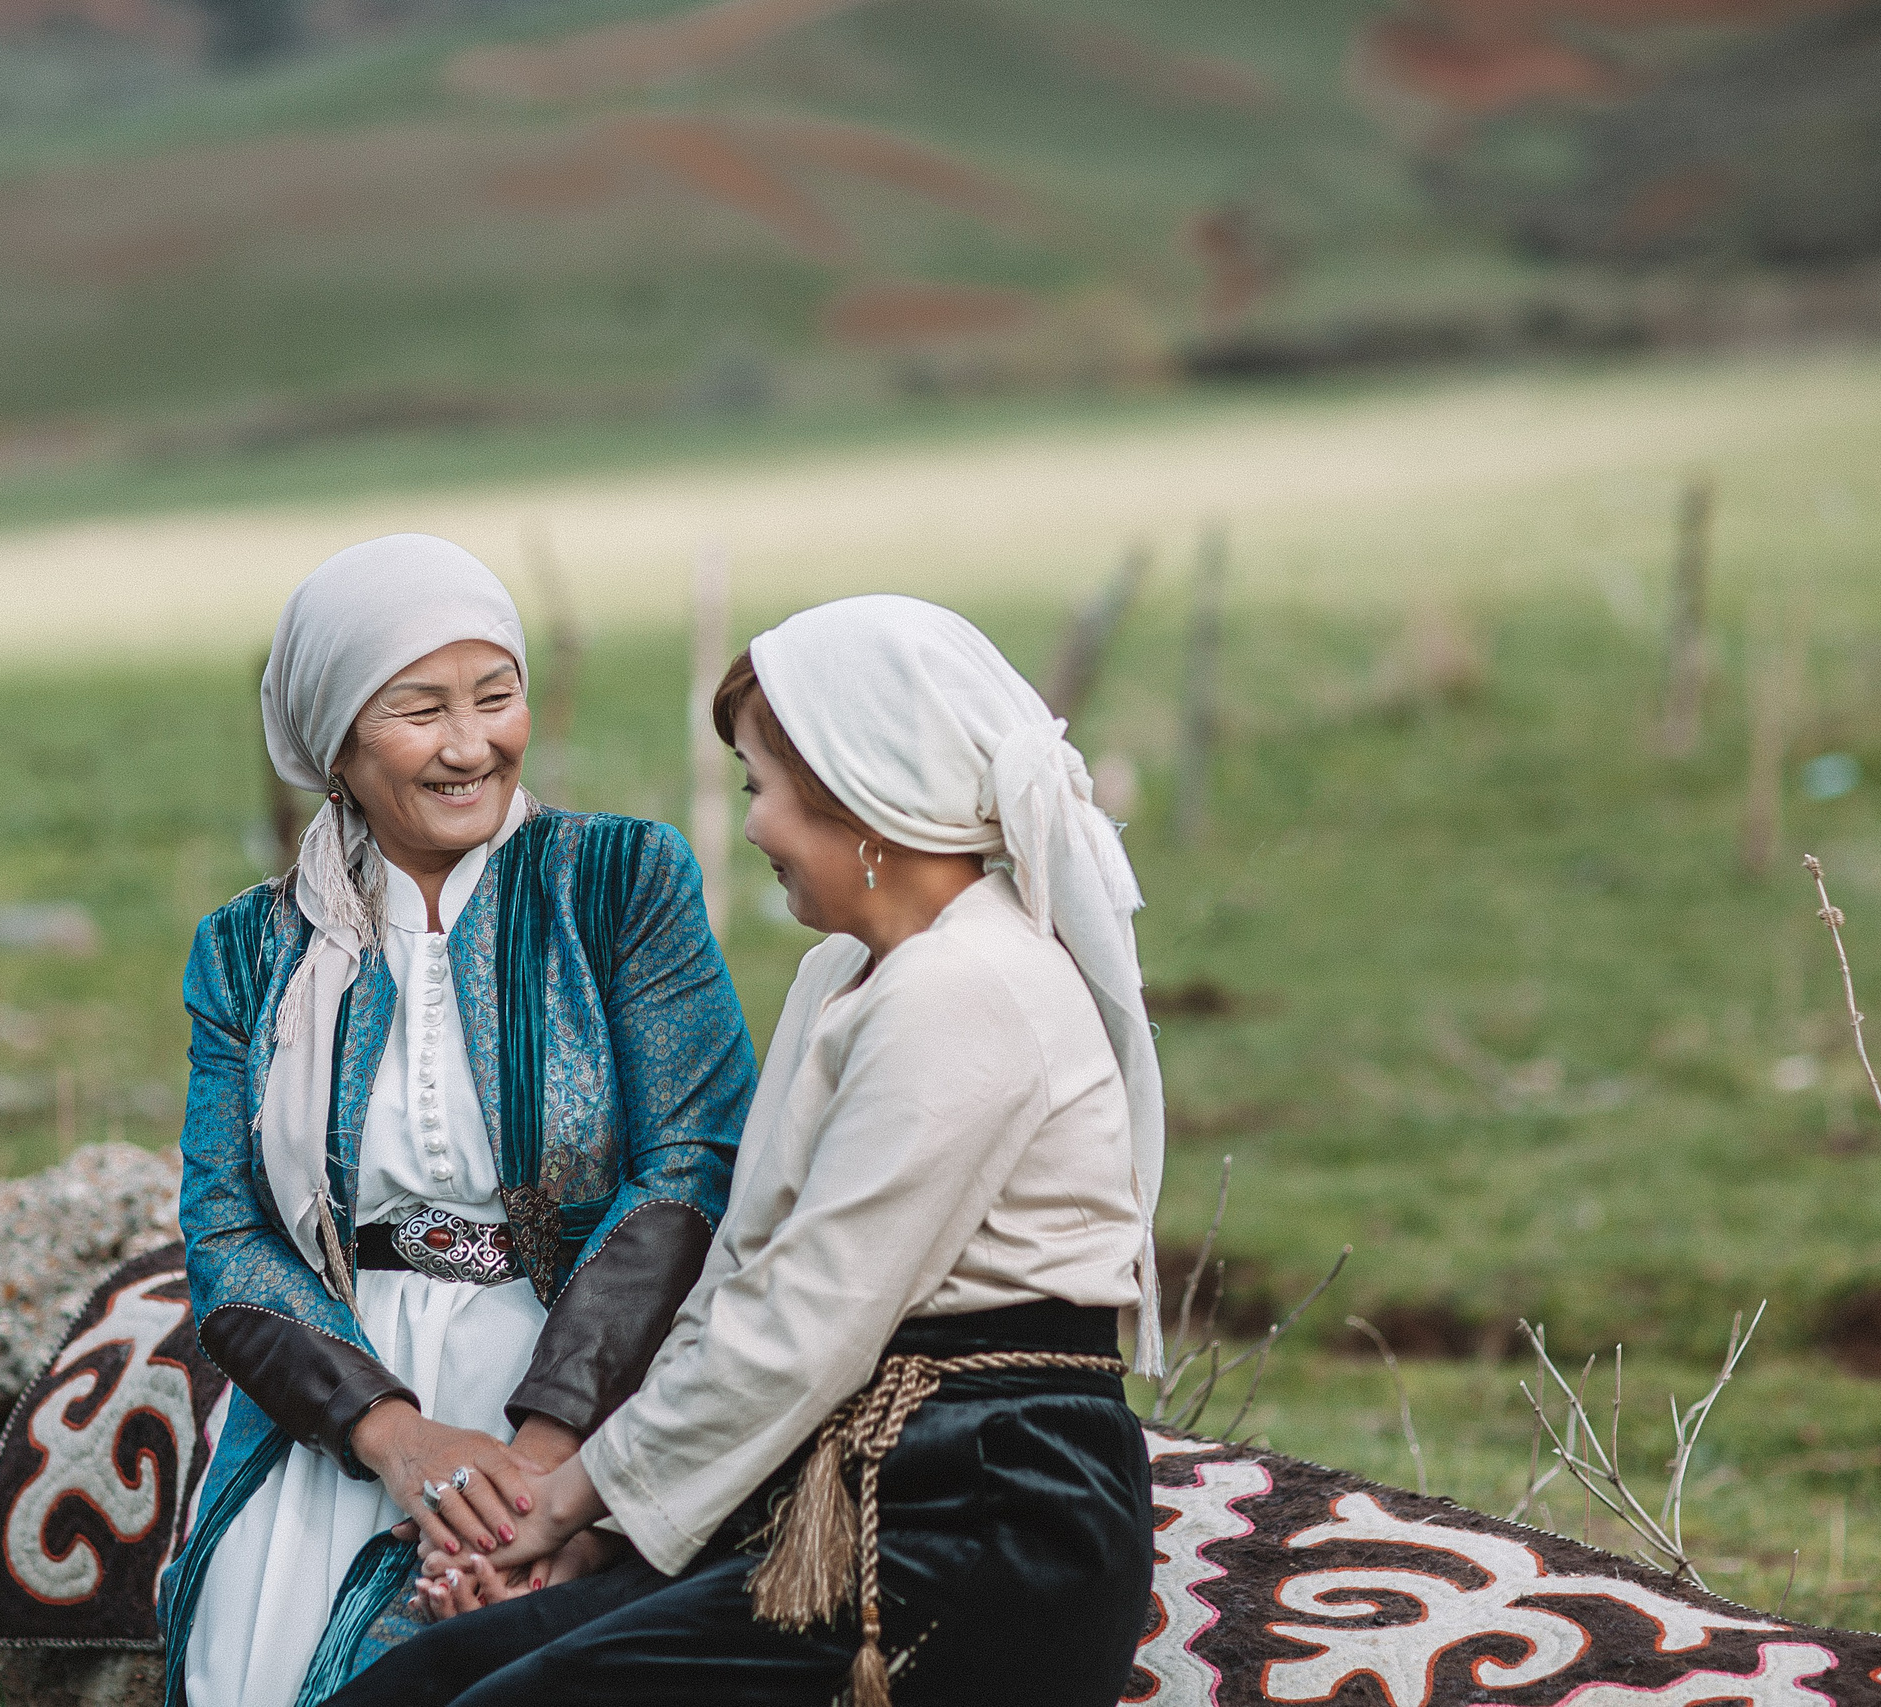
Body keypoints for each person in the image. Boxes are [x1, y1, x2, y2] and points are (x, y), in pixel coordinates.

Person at [328, 593, 1166, 1707]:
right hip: (843, 1484)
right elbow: (741, 1277)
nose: (756, 825)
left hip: (982, 1511)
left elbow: (806, 1319)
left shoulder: (968, 988)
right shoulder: (842, 978)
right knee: (418, 1681)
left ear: (859, 799)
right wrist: (594, 1534)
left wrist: (569, 1501)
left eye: (760, 789)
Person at [158, 534, 755, 1707]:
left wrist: (536, 1465)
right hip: (343, 1404)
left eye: (498, 696)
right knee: (255, 1662)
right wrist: (397, 1441)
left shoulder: (619, 880)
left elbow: (692, 1163)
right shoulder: (246, 950)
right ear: (335, 737)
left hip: (586, 1382)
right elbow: (228, 1235)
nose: (471, 744)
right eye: (419, 710)